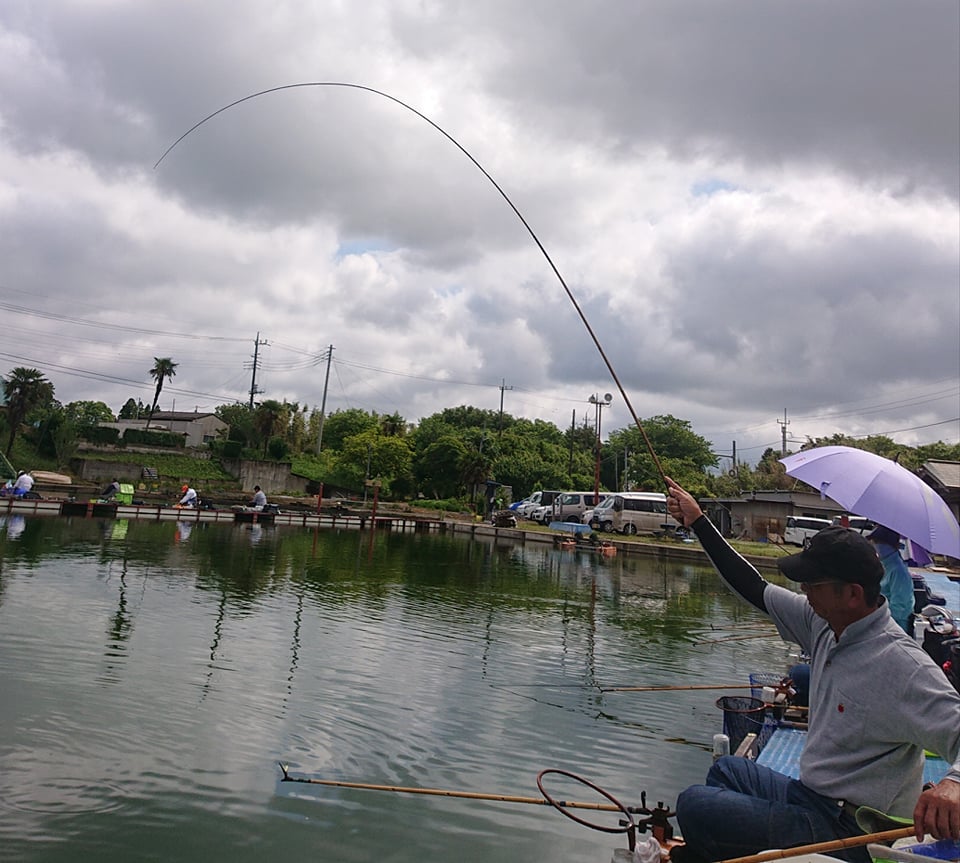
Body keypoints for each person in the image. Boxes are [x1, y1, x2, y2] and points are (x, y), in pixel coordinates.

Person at [664, 477, 960, 862]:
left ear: (852, 594)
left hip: (852, 829)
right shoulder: (825, 622)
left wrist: (953, 783)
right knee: (729, 771)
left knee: (694, 805)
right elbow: (753, 588)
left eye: (812, 584)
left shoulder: (902, 666)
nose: (804, 592)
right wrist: (699, 521)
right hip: (812, 797)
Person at [867, 524, 916, 634]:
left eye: (878, 542)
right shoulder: (883, 565)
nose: (875, 546)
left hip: (895, 627)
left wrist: (879, 620)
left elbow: (900, 606)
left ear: (890, 545)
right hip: (882, 623)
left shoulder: (898, 571)